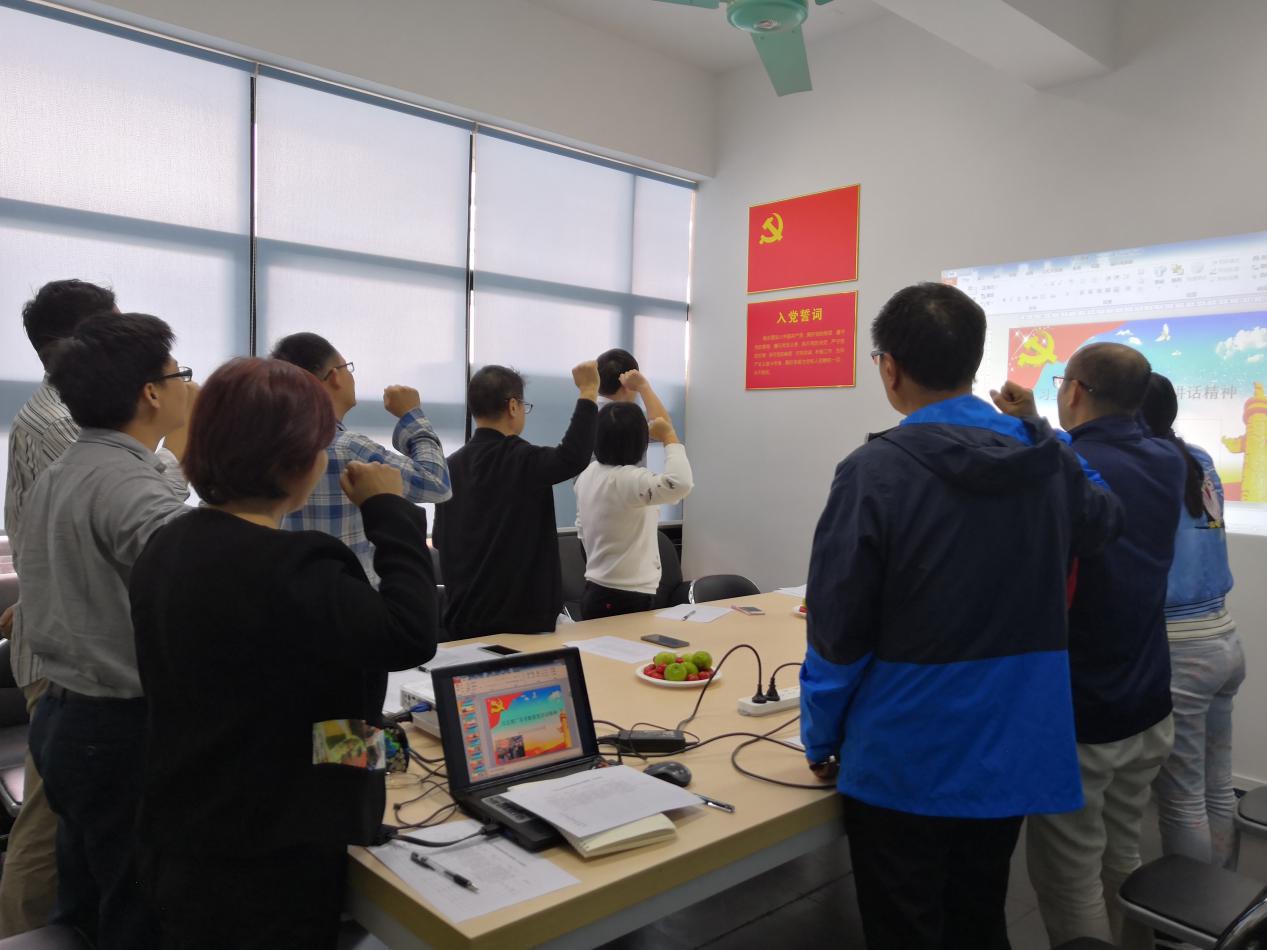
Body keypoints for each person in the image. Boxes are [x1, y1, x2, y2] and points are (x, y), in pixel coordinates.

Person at [799, 283, 1122, 950]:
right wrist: (1047, 434)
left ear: (890, 368)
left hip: (906, 751)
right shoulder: (1043, 458)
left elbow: (838, 630)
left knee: (906, 927)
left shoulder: (873, 471)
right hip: (1012, 738)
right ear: (973, 362)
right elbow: (1104, 519)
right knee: (978, 916)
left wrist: (819, 733)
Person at [129, 357, 438, 949]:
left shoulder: (167, 545)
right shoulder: (298, 567)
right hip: (270, 851)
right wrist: (390, 510)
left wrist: (389, 755)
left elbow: (285, 699)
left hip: (185, 824)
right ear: (299, 461)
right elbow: (410, 635)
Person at [0, 278, 188, 937]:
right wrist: (188, 450)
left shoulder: (71, 448)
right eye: (178, 374)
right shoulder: (75, 435)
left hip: (72, 687)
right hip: (97, 699)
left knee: (78, 869)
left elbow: (72, 543)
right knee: (97, 873)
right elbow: (147, 528)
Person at [993, 343, 1186, 949]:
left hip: (1081, 708)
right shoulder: (1169, 458)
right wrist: (1036, 424)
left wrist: (1031, 431)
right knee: (1124, 855)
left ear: (1074, 391)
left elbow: (1066, 477)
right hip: (1148, 695)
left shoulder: (1067, 466)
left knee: (1069, 876)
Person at [1141, 373, 1244, 868]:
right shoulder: (1198, 458)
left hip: (1182, 650)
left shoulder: (1143, 465)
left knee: (1182, 799)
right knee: (1217, 786)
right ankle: (1224, 902)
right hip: (1224, 639)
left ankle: (1191, 913)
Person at [270, 332, 451, 586]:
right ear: (335, 376)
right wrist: (411, 415)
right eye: (348, 367)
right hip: (350, 600)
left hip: (283, 597)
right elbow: (436, 484)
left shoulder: (267, 446)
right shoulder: (348, 448)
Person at [433, 362, 598, 639]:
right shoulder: (523, 459)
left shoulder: (449, 467)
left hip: (463, 622)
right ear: (513, 406)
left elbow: (439, 539)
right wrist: (588, 391)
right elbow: (573, 457)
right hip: (521, 624)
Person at [575, 404, 693, 619]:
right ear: (640, 442)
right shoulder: (628, 480)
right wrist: (669, 436)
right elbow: (680, 484)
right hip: (624, 596)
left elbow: (581, 528)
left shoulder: (589, 473)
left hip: (598, 589)